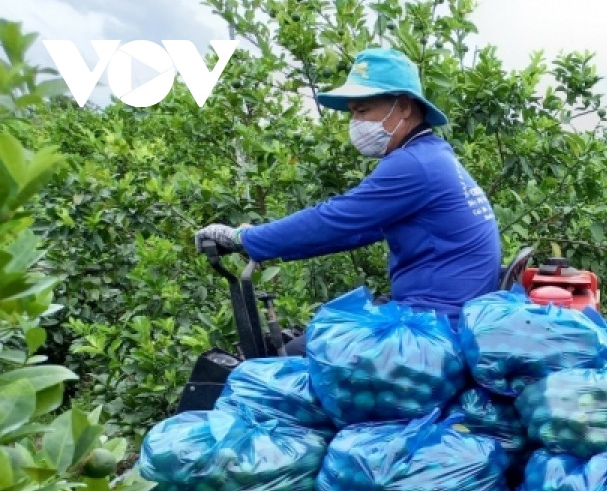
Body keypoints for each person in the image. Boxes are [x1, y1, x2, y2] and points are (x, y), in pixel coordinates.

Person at [195, 47, 501, 352]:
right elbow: (357, 230)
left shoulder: (413, 164)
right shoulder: (432, 155)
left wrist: (242, 238)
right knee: (308, 338)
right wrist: (264, 243)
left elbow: (333, 220)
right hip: (440, 315)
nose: (355, 122)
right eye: (353, 112)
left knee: (292, 359)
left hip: (433, 326)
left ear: (405, 107)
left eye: (363, 111)